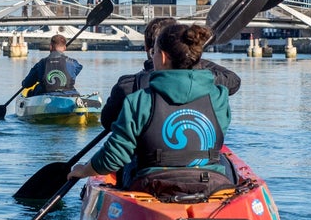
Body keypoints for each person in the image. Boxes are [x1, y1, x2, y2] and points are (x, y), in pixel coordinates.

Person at [69, 22, 234, 198]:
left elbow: (113, 158)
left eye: (153, 52)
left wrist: (83, 170)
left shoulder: (139, 100)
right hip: (211, 185)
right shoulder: (219, 97)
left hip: (152, 185)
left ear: (162, 57)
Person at [99, 16, 240, 131]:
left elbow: (108, 123)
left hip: (148, 160)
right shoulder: (213, 88)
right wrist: (196, 70)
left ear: (148, 48)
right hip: (201, 159)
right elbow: (233, 82)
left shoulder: (128, 87)